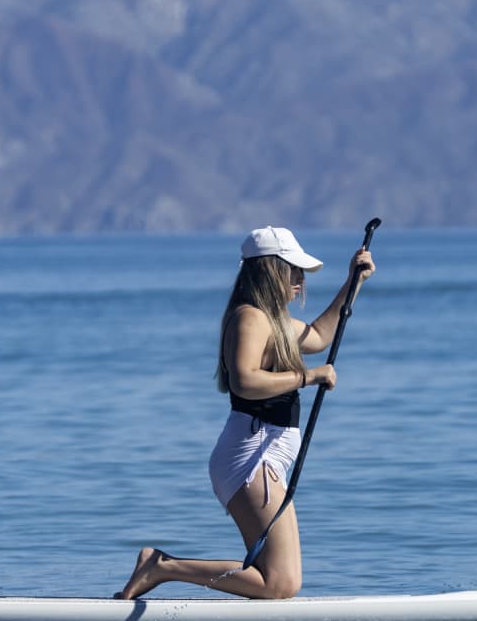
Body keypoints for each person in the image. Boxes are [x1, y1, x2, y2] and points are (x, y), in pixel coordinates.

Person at [116, 226, 375, 600]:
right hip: (252, 455)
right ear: (271, 270)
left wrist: (354, 282)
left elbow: (318, 337)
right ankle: (161, 567)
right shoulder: (250, 318)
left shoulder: (273, 320)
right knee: (280, 583)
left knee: (279, 581)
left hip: (262, 455)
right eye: (294, 271)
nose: (300, 281)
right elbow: (244, 381)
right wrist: (308, 377)